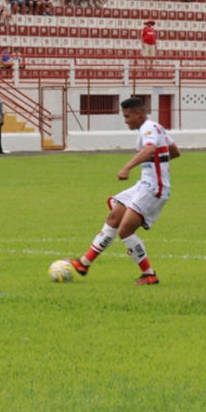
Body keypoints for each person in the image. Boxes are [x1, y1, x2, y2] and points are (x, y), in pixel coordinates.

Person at [68, 97, 180, 285]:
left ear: (138, 114)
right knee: (114, 217)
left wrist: (127, 167)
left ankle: (149, 275)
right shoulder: (156, 127)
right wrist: (159, 165)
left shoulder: (148, 129)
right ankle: (84, 263)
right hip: (145, 183)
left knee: (125, 230)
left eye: (128, 116)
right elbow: (175, 151)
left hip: (154, 187)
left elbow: (150, 149)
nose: (126, 120)